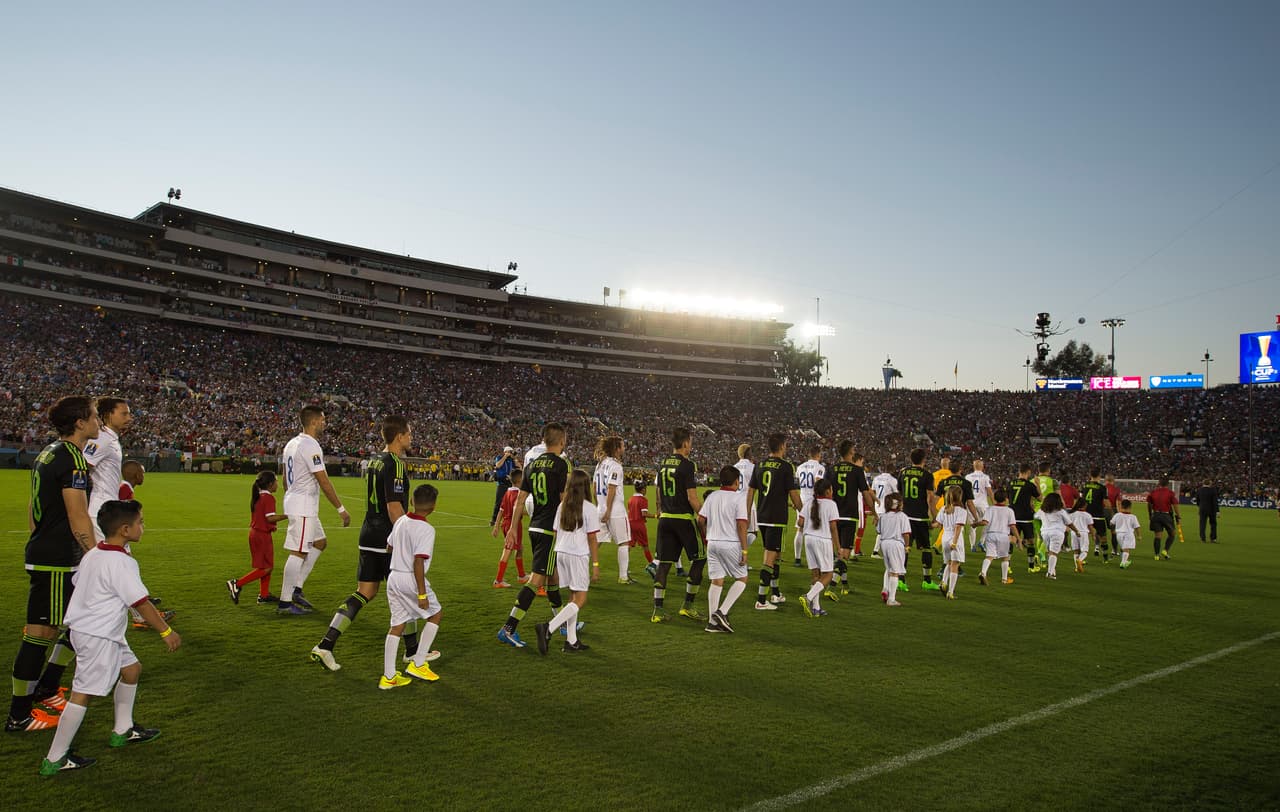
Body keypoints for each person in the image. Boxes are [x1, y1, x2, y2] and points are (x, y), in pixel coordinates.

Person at [39, 500, 180, 775]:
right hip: (98, 636)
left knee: (131, 670)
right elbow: (141, 603)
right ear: (125, 529)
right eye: (140, 522)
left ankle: (123, 730)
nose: (143, 527)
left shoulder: (94, 553)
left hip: (97, 631)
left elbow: (80, 583)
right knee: (82, 694)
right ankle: (54, 758)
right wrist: (166, 631)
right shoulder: (122, 563)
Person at [8, 396, 101, 734]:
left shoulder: (49, 452)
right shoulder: (72, 458)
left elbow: (35, 510)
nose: (98, 422)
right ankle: (19, 714)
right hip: (59, 559)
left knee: (81, 622)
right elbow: (78, 517)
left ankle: (46, 688)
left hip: (49, 552)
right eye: (94, 416)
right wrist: (97, 558)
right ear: (80, 423)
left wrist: (40, 540)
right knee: (42, 632)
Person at [310, 416, 412, 670]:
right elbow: (394, 507)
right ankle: (412, 651)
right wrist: (406, 538)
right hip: (387, 537)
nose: (411, 438)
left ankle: (325, 645)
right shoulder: (395, 464)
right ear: (399, 436)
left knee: (365, 591)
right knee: (406, 591)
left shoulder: (374, 460)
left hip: (368, 533)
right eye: (409, 434)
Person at [497, 422, 570, 648]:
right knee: (536, 579)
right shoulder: (561, 464)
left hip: (534, 526)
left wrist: (512, 529)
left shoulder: (531, 465)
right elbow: (564, 499)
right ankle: (508, 628)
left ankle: (562, 623)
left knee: (553, 576)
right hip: (550, 528)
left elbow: (520, 500)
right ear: (562, 441)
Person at [277, 406, 352, 615]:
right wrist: (341, 509)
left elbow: (284, 479)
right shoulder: (310, 445)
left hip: (298, 502)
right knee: (299, 551)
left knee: (320, 542)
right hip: (302, 505)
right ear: (314, 422)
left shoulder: (292, 443)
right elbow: (323, 481)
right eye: (323, 420)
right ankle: (285, 602)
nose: (324, 423)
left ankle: (297, 588)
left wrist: (291, 497)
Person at [380, 484, 443, 688]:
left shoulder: (400, 521)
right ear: (433, 506)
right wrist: (422, 594)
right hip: (410, 579)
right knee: (435, 614)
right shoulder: (427, 529)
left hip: (394, 577)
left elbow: (389, 546)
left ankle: (389, 676)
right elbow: (418, 561)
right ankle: (418, 663)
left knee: (397, 624)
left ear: (411, 501)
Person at [535, 470, 599, 654]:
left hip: (561, 552)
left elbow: (556, 531)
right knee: (580, 599)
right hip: (577, 554)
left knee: (572, 596)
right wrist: (595, 565)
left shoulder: (562, 505)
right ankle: (548, 628)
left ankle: (571, 641)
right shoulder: (589, 508)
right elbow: (592, 538)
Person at [651, 427, 706, 623]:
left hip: (665, 519)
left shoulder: (663, 463)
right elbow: (692, 497)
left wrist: (660, 509)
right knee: (699, 559)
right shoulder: (688, 465)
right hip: (683, 519)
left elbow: (658, 492)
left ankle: (658, 610)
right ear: (685, 443)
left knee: (664, 564)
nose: (691, 446)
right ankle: (687, 606)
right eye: (690, 442)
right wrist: (705, 514)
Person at [747, 433, 803, 610]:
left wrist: (747, 513)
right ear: (782, 446)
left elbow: (751, 491)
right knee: (770, 557)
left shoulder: (759, 465)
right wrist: (803, 511)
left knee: (776, 554)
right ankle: (761, 600)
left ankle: (776, 593)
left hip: (762, 517)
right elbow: (793, 493)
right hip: (776, 518)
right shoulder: (786, 467)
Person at [697, 466, 750, 633]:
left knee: (717, 581)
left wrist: (705, 537)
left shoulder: (712, 496)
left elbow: (700, 520)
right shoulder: (739, 497)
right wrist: (745, 550)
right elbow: (741, 525)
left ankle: (712, 622)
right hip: (730, 543)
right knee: (742, 578)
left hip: (712, 543)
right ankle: (722, 612)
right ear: (736, 481)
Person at [227, 471, 285, 605]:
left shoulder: (258, 496)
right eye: (276, 481)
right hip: (261, 535)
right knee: (266, 568)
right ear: (270, 484)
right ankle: (237, 584)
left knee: (267, 565)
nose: (277, 484)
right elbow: (270, 518)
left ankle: (264, 595)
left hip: (256, 534)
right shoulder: (268, 498)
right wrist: (288, 515)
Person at [830, 442, 873, 593]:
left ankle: (845, 584)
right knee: (845, 553)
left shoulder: (832, 469)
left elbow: (825, 491)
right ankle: (831, 586)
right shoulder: (857, 470)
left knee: (839, 551)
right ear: (850, 452)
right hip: (849, 515)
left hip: (834, 514)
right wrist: (874, 511)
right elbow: (865, 493)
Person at [592, 436, 634, 584]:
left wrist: (599, 505)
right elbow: (612, 488)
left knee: (595, 543)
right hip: (615, 511)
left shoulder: (600, 464)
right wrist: (608, 510)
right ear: (616, 449)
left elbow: (594, 487)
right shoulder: (615, 466)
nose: (624, 448)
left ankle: (579, 570)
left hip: (600, 509)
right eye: (622, 446)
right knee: (623, 542)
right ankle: (623, 577)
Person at [799, 479, 839, 617]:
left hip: (808, 539)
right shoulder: (831, 504)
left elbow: (800, 522)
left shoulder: (809, 503)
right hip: (823, 540)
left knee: (816, 575)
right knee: (828, 575)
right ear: (827, 491)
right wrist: (838, 547)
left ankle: (816, 608)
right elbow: (833, 527)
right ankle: (808, 597)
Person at [897, 448, 935, 592]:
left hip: (905, 515)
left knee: (905, 547)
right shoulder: (927, 475)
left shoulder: (903, 472)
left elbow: (900, 493)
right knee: (926, 548)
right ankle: (927, 581)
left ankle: (900, 580)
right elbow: (930, 497)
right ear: (924, 460)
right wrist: (934, 516)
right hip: (920, 516)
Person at [491, 469, 527, 587]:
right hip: (513, 525)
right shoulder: (518, 494)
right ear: (520, 481)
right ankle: (498, 580)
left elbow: (501, 510)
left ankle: (521, 576)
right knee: (508, 550)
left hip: (506, 523)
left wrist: (496, 526)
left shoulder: (508, 492)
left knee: (520, 548)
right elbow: (519, 510)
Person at [976, 488, 1019, 586]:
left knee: (989, 556)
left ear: (994, 499)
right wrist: (1019, 539)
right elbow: (1012, 526)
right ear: (1006, 499)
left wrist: (975, 524)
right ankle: (1004, 579)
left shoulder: (990, 509)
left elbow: (984, 522)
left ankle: (983, 572)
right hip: (1003, 535)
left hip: (990, 534)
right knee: (1005, 558)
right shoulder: (1009, 511)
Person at [933, 485, 970, 599]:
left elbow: (938, 524)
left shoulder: (943, 509)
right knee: (955, 564)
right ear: (960, 496)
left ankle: (944, 582)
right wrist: (954, 542)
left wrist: (929, 525)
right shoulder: (962, 511)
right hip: (955, 538)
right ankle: (950, 592)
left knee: (949, 562)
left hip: (945, 538)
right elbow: (958, 527)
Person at [794, 445, 825, 566]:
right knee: (815, 529)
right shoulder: (820, 467)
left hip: (801, 500)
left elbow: (797, 483)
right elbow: (818, 481)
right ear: (818, 455)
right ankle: (815, 558)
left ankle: (797, 558)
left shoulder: (800, 467)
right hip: (813, 500)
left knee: (800, 528)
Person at [877, 494, 911, 607]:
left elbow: (878, 531)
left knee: (889, 568)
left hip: (884, 543)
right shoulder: (902, 516)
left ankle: (885, 589)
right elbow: (906, 534)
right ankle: (891, 599)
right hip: (896, 543)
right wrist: (907, 546)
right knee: (895, 572)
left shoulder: (883, 516)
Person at [1034, 492, 1077, 580]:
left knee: (1050, 552)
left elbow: (1035, 516)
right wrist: (1076, 531)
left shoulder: (1042, 511)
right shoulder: (1061, 511)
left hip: (1045, 533)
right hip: (1057, 533)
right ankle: (1050, 573)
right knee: (1054, 553)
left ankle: (1052, 570)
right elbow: (1069, 523)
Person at [1008, 464, 1042, 573]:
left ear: (1019, 472)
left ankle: (1007, 566)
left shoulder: (1010, 483)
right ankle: (1031, 567)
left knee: (1011, 540)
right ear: (1028, 472)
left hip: (1013, 516)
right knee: (1031, 541)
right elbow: (1040, 498)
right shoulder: (1029, 485)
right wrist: (1038, 484)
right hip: (1026, 517)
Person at [1081, 468, 1111, 561]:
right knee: (1103, 536)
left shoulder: (1085, 485)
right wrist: (1110, 511)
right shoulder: (1102, 487)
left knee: (1084, 535)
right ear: (1099, 476)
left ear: (1090, 475)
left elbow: (1080, 499)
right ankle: (1105, 557)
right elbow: (1106, 503)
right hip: (1098, 515)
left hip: (1086, 515)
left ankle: (1081, 557)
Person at [964, 459, 994, 552]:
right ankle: (981, 542)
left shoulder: (968, 477)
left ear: (973, 466)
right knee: (988, 522)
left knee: (973, 525)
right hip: (982, 504)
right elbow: (989, 491)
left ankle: (972, 546)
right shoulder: (985, 477)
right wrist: (994, 503)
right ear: (982, 466)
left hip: (971, 503)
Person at [1147, 477, 1181, 560]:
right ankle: (1165, 550)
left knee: (1158, 536)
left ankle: (1156, 555)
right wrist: (1178, 516)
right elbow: (1175, 505)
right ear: (1168, 484)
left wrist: (1150, 514)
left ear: (1159, 483)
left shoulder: (1153, 492)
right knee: (1172, 534)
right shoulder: (1170, 493)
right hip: (1166, 516)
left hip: (1155, 515)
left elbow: (1149, 504)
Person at [628, 479, 656, 578]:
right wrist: (656, 516)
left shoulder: (631, 499)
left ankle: (625, 567)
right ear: (643, 489)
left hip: (630, 524)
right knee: (645, 546)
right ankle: (651, 565)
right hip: (639, 525)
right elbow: (644, 514)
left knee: (629, 546)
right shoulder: (643, 500)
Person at [733, 443, 759, 549]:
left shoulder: (734, 467)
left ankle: (736, 552)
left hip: (735, 502)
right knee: (753, 532)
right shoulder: (752, 467)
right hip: (748, 502)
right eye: (751, 451)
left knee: (738, 531)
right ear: (747, 453)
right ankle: (739, 552)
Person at [869, 464, 898, 557]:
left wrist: (873, 510)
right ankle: (876, 551)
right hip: (886, 508)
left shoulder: (876, 478)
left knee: (883, 531)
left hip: (877, 507)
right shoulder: (892, 480)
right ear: (892, 470)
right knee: (887, 531)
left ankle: (878, 551)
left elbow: (873, 494)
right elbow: (896, 494)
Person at [490, 445, 519, 525]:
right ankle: (494, 520)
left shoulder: (511, 461)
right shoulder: (500, 457)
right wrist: (505, 456)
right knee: (499, 502)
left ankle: (510, 519)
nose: (510, 454)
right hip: (502, 483)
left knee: (511, 502)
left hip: (510, 483)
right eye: (510, 452)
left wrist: (515, 459)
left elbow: (520, 468)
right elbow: (498, 465)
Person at [1067, 497, 1095, 573]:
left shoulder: (1072, 514)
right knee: (1085, 551)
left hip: (1074, 533)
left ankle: (1077, 568)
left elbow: (1068, 524)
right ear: (1084, 505)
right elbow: (1090, 527)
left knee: (1076, 551)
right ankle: (1080, 560)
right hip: (1083, 533)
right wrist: (1093, 535)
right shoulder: (1087, 515)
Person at [1111, 500, 1142, 569]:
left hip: (1119, 535)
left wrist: (1113, 531)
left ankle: (1124, 561)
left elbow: (1111, 523)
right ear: (1130, 507)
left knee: (1123, 548)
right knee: (1126, 549)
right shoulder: (1133, 517)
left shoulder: (1117, 515)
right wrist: (1139, 536)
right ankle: (1123, 563)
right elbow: (1137, 527)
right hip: (1128, 534)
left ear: (1121, 506)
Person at [1104, 474, 1123, 556]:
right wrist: (1120, 514)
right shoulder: (1116, 489)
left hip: (1101, 510)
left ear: (1106, 480)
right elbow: (1118, 503)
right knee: (1113, 532)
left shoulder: (1101, 488)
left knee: (1100, 531)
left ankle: (1098, 548)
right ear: (1113, 480)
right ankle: (1114, 550)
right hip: (1112, 511)